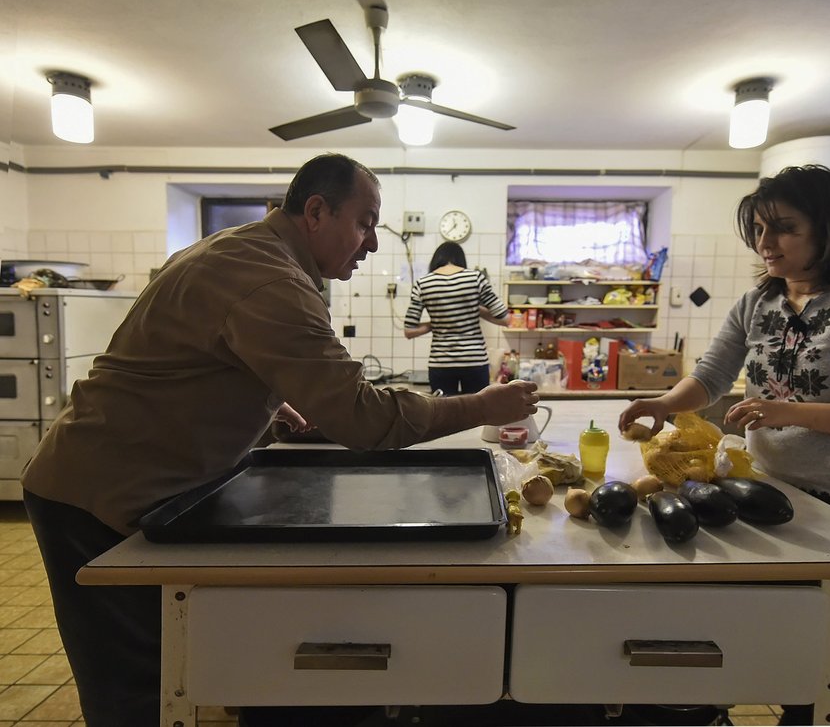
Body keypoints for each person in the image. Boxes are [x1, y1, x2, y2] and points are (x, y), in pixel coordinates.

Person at [19, 153, 538, 727]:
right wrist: (482, 406)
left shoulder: (241, 249)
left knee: (169, 663)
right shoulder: (270, 279)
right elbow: (364, 419)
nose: (369, 243)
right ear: (316, 211)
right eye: (365, 222)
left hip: (131, 480)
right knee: (136, 686)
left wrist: (269, 408)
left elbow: (184, 364)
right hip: (92, 491)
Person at [619, 164, 830, 726]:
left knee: (827, 656)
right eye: (759, 230)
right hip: (773, 501)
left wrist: (786, 410)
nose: (766, 244)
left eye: (783, 228)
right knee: (792, 645)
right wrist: (667, 404)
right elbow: (713, 374)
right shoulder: (759, 302)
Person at [403, 240, 509, 395]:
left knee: (443, 414)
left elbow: (409, 331)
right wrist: (473, 308)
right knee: (477, 415)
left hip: (441, 363)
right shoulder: (475, 278)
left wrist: (440, 320)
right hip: (474, 359)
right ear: (460, 259)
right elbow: (504, 318)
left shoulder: (423, 283)